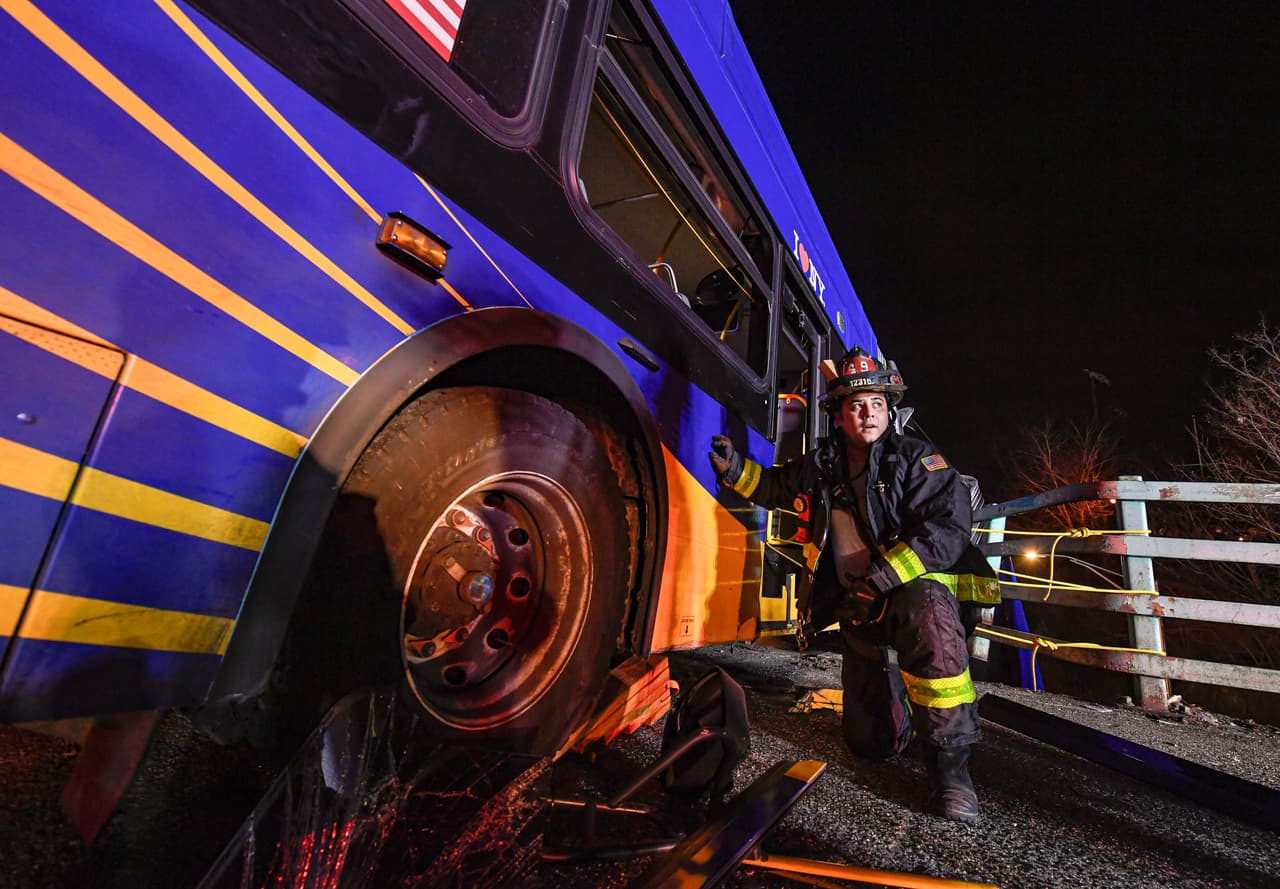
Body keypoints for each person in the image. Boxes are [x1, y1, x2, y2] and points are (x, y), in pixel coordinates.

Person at [708, 346, 1000, 822]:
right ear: (840, 416)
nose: (867, 413)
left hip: (915, 597)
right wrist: (736, 471)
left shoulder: (918, 459)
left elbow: (947, 529)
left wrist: (882, 578)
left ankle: (952, 774)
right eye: (856, 406)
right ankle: (898, 715)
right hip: (858, 607)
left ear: (889, 410)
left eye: (877, 405)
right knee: (868, 746)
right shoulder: (828, 461)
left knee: (933, 643)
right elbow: (780, 487)